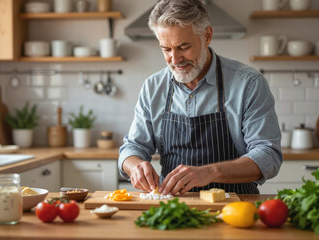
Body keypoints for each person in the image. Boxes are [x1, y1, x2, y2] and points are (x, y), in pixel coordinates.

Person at [118, 0, 282, 195]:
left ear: (207, 35)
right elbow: (133, 147)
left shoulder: (248, 83)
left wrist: (210, 172)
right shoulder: (153, 87)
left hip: (235, 208)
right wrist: (135, 165)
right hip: (172, 208)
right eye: (166, 49)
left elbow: (268, 155)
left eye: (183, 46)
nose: (175, 59)